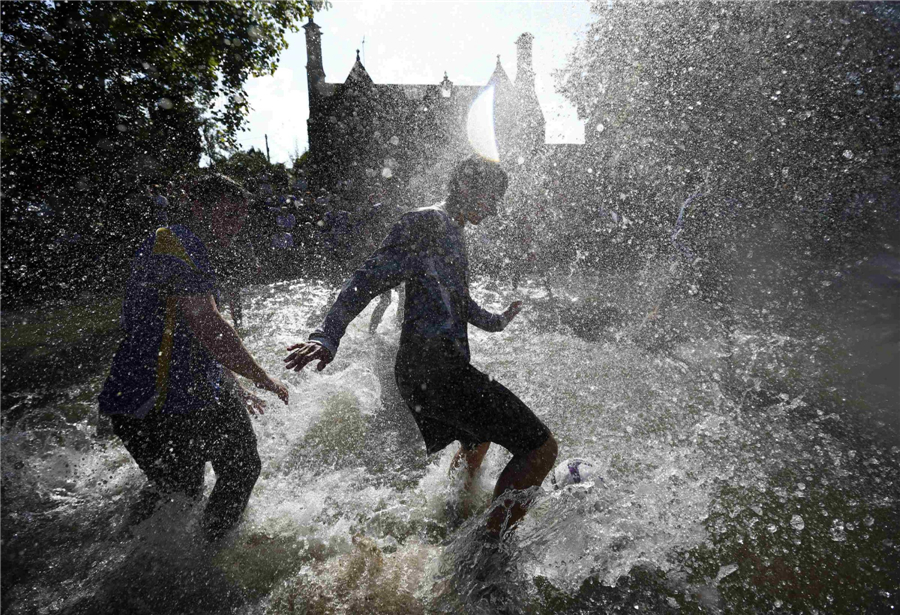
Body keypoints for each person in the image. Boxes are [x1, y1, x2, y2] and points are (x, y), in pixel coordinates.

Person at [284, 155, 558, 540]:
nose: (495, 210)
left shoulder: (453, 231)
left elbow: (458, 302)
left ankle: (449, 523)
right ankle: (485, 556)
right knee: (541, 449)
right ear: (465, 187)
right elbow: (366, 278)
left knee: (476, 441)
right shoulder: (425, 222)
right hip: (434, 369)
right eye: (492, 198)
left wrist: (497, 322)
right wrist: (327, 336)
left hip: (429, 370)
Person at [99, 173, 289, 542]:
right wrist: (262, 378)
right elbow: (207, 325)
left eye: (241, 217)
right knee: (191, 486)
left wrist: (234, 384)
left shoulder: (185, 245)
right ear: (198, 207)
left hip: (178, 394)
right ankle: (196, 553)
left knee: (207, 480)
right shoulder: (176, 243)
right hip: (154, 402)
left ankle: (186, 551)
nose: (236, 226)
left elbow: (191, 333)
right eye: (228, 214)